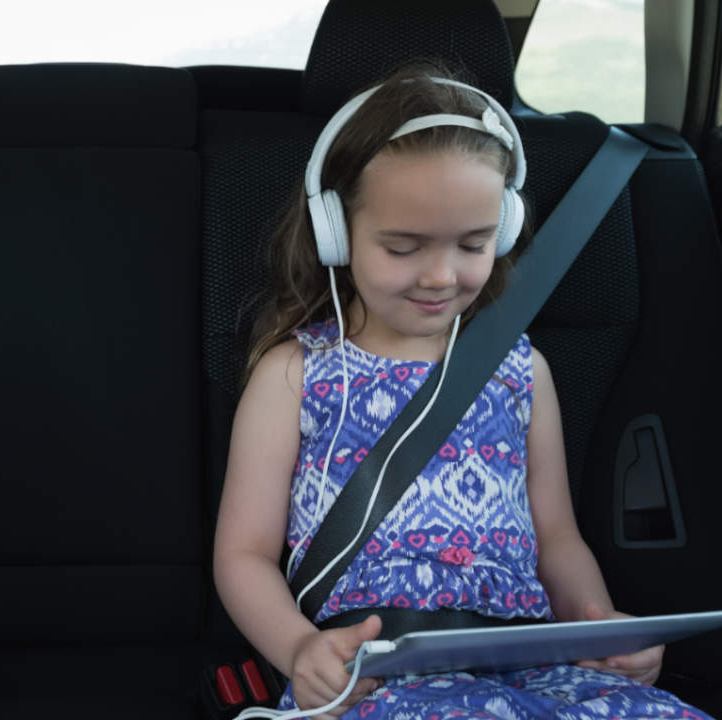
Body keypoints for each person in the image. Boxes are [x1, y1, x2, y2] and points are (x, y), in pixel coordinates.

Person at [213, 64, 712, 720]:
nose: (442, 276)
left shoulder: (520, 369)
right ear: (336, 233)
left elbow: (556, 536)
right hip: (372, 673)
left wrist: (600, 630)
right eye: (403, 248)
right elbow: (243, 554)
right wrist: (300, 648)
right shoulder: (297, 373)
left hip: (534, 663)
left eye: (474, 244)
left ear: (503, 230)